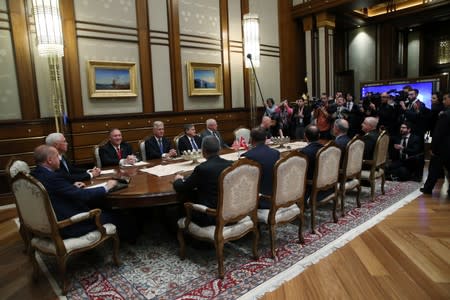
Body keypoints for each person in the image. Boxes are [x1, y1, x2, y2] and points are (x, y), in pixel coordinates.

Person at [31, 145, 136, 241]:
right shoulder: (52, 177)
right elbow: (83, 196)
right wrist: (106, 187)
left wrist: (70, 187)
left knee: (101, 205)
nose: (59, 158)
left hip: (52, 217)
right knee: (119, 216)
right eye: (57, 156)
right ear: (49, 160)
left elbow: (56, 191)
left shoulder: (35, 174)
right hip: (69, 224)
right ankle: (131, 239)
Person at [173, 136, 233, 226]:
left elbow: (181, 187)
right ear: (219, 149)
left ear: (203, 151)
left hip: (210, 216)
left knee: (175, 210)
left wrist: (178, 179)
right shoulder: (230, 164)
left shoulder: (202, 168)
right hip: (231, 211)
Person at [241, 127, 280, 208]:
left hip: (258, 200)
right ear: (265, 139)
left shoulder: (248, 156)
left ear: (251, 139)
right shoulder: (276, 153)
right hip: (277, 196)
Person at [421, 92, 450, 197]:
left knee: (434, 168)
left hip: (442, 147)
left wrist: (433, 147)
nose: (443, 101)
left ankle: (428, 188)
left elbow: (438, 133)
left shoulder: (445, 114)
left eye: (445, 99)